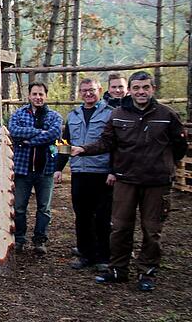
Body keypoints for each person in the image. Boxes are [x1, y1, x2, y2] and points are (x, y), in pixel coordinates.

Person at [71, 71, 188, 292]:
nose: (141, 92)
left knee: (151, 229)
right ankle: (118, 269)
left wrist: (164, 165)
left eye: (145, 88)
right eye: (136, 88)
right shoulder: (118, 115)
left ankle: (147, 272)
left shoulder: (167, 115)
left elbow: (179, 146)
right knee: (120, 227)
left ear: (153, 89)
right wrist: (84, 149)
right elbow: (106, 142)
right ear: (131, 90)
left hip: (156, 182)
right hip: (126, 180)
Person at [54, 78, 113, 271]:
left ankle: (103, 256)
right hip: (79, 172)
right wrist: (58, 167)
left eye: (92, 90)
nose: (88, 94)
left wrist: (113, 170)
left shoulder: (110, 114)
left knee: (102, 216)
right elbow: (65, 143)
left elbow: (114, 146)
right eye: (84, 90)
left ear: (100, 90)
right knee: (82, 215)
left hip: (101, 172)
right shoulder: (73, 115)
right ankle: (85, 254)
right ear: (80, 93)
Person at [8, 81, 62, 255]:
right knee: (19, 207)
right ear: (29, 95)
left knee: (44, 208)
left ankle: (40, 240)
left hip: (45, 169)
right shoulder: (19, 114)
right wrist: (41, 134)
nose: (38, 97)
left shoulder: (54, 116)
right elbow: (14, 131)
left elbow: (54, 134)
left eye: (41, 94)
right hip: (22, 169)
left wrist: (29, 140)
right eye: (35, 94)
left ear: (45, 96)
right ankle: (19, 239)